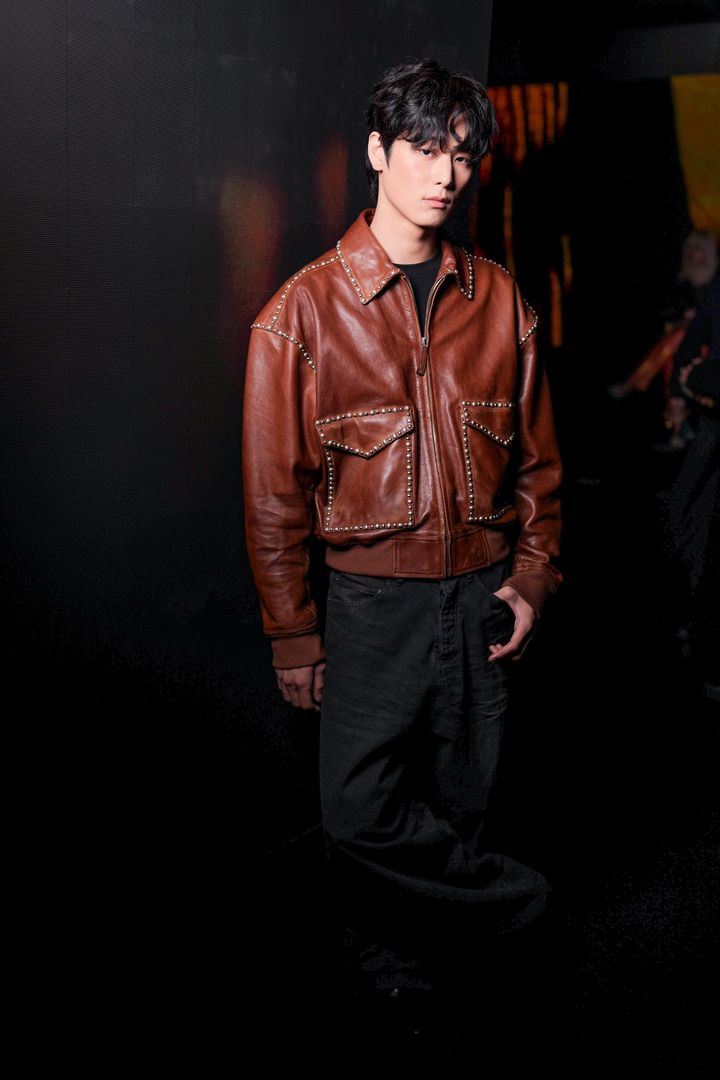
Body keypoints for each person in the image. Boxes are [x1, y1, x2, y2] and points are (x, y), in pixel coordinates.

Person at [242, 58, 562, 997]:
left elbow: (540, 470)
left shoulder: (500, 301)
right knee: (357, 812)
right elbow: (273, 497)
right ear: (378, 152)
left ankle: (427, 965)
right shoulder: (299, 314)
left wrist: (532, 580)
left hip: (482, 598)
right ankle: (512, 914)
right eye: (424, 149)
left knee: (463, 801)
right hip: (372, 605)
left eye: (461, 155)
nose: (445, 175)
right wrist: (293, 632)